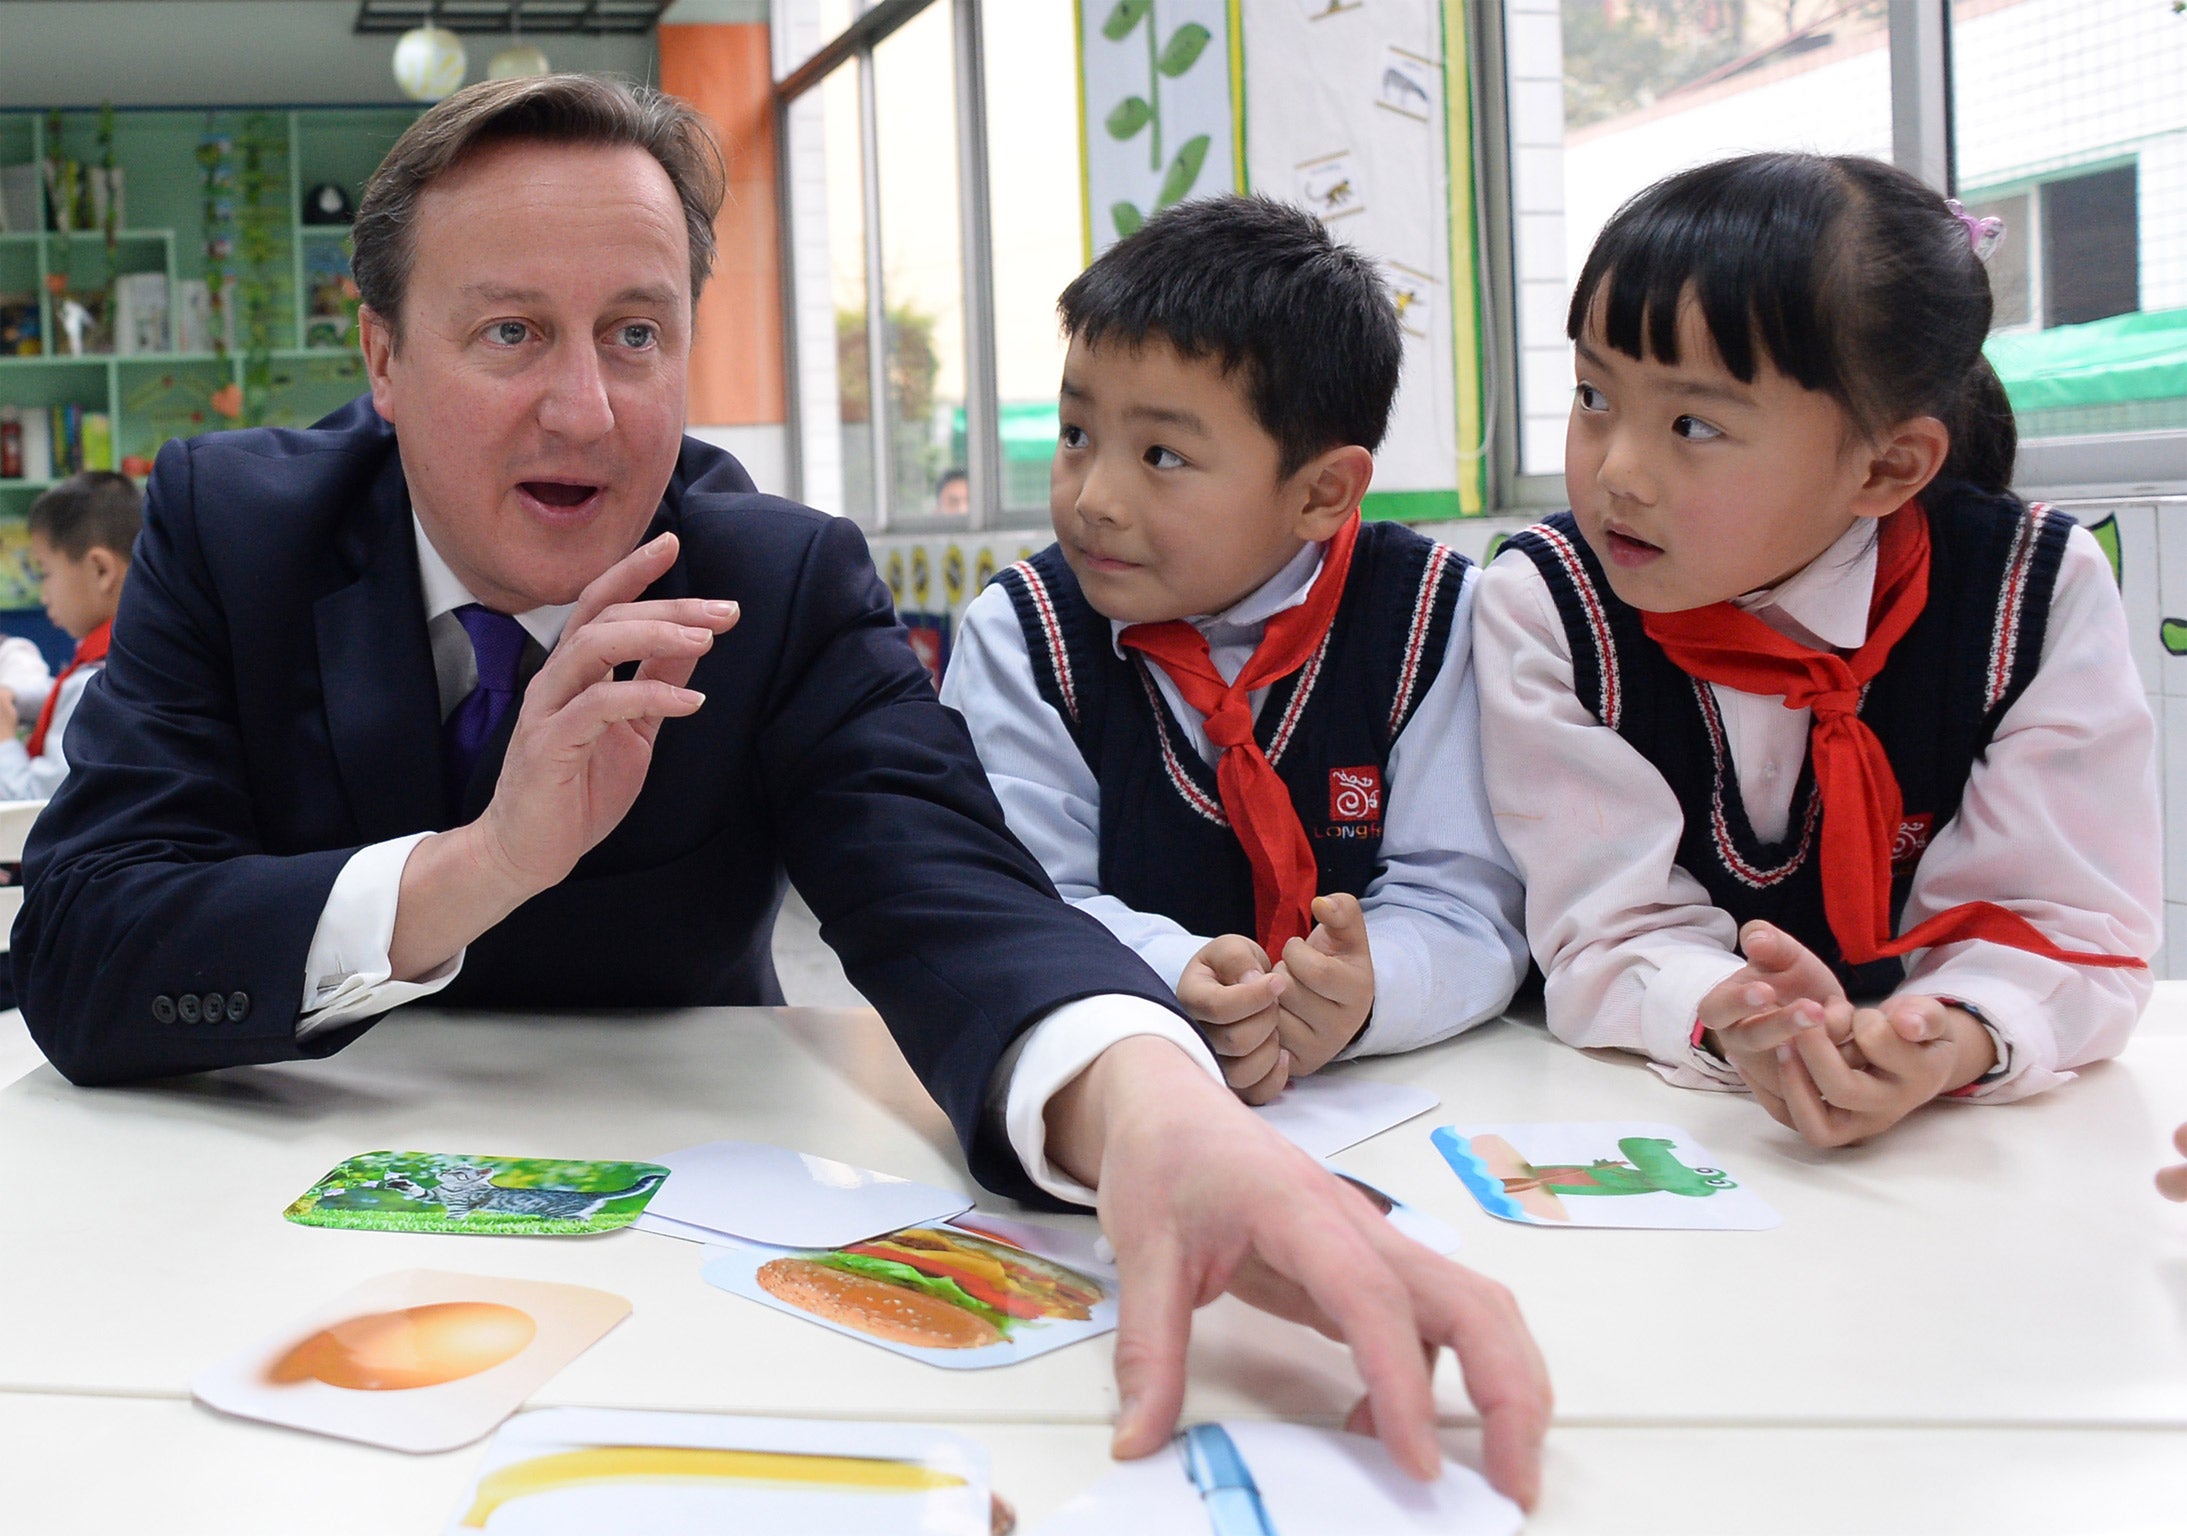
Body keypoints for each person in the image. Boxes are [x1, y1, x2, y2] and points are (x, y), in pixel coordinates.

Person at [13, 78, 1546, 1501]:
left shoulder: (778, 578)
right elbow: (77, 945)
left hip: (685, 1285)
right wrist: (472, 867)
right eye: (506, 336)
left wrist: (1156, 1118)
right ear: (382, 360)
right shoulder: (235, 528)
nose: (585, 412)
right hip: (253, 1260)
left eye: (635, 332)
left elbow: (945, 890)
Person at [1474, 152, 2159, 1149]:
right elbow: (1603, 924)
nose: (1618, 470)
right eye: (1593, 397)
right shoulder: (1545, 603)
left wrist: (1950, 1033)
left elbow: (2067, 917)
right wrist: (1741, 1017)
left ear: (1887, 465)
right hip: (1667, 1121)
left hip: (1963, 1152)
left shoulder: (2034, 591)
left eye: (1694, 423)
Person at [943, 196, 1526, 1104]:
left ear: (1322, 491)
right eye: (1075, 435)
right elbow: (1016, 894)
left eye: (1162, 455)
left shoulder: (1436, 619)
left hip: (1397, 1101)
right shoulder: (1025, 636)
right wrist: (1170, 973)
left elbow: (1468, 903)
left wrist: (1369, 994)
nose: (1093, 496)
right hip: (1118, 1082)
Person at [0, 470, 139, 801]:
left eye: (46, 573)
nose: (44, 594)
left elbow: (34, 807)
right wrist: (16, 701)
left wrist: (4, 738)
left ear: (100, 571)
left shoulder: (97, 684)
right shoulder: (132, 657)